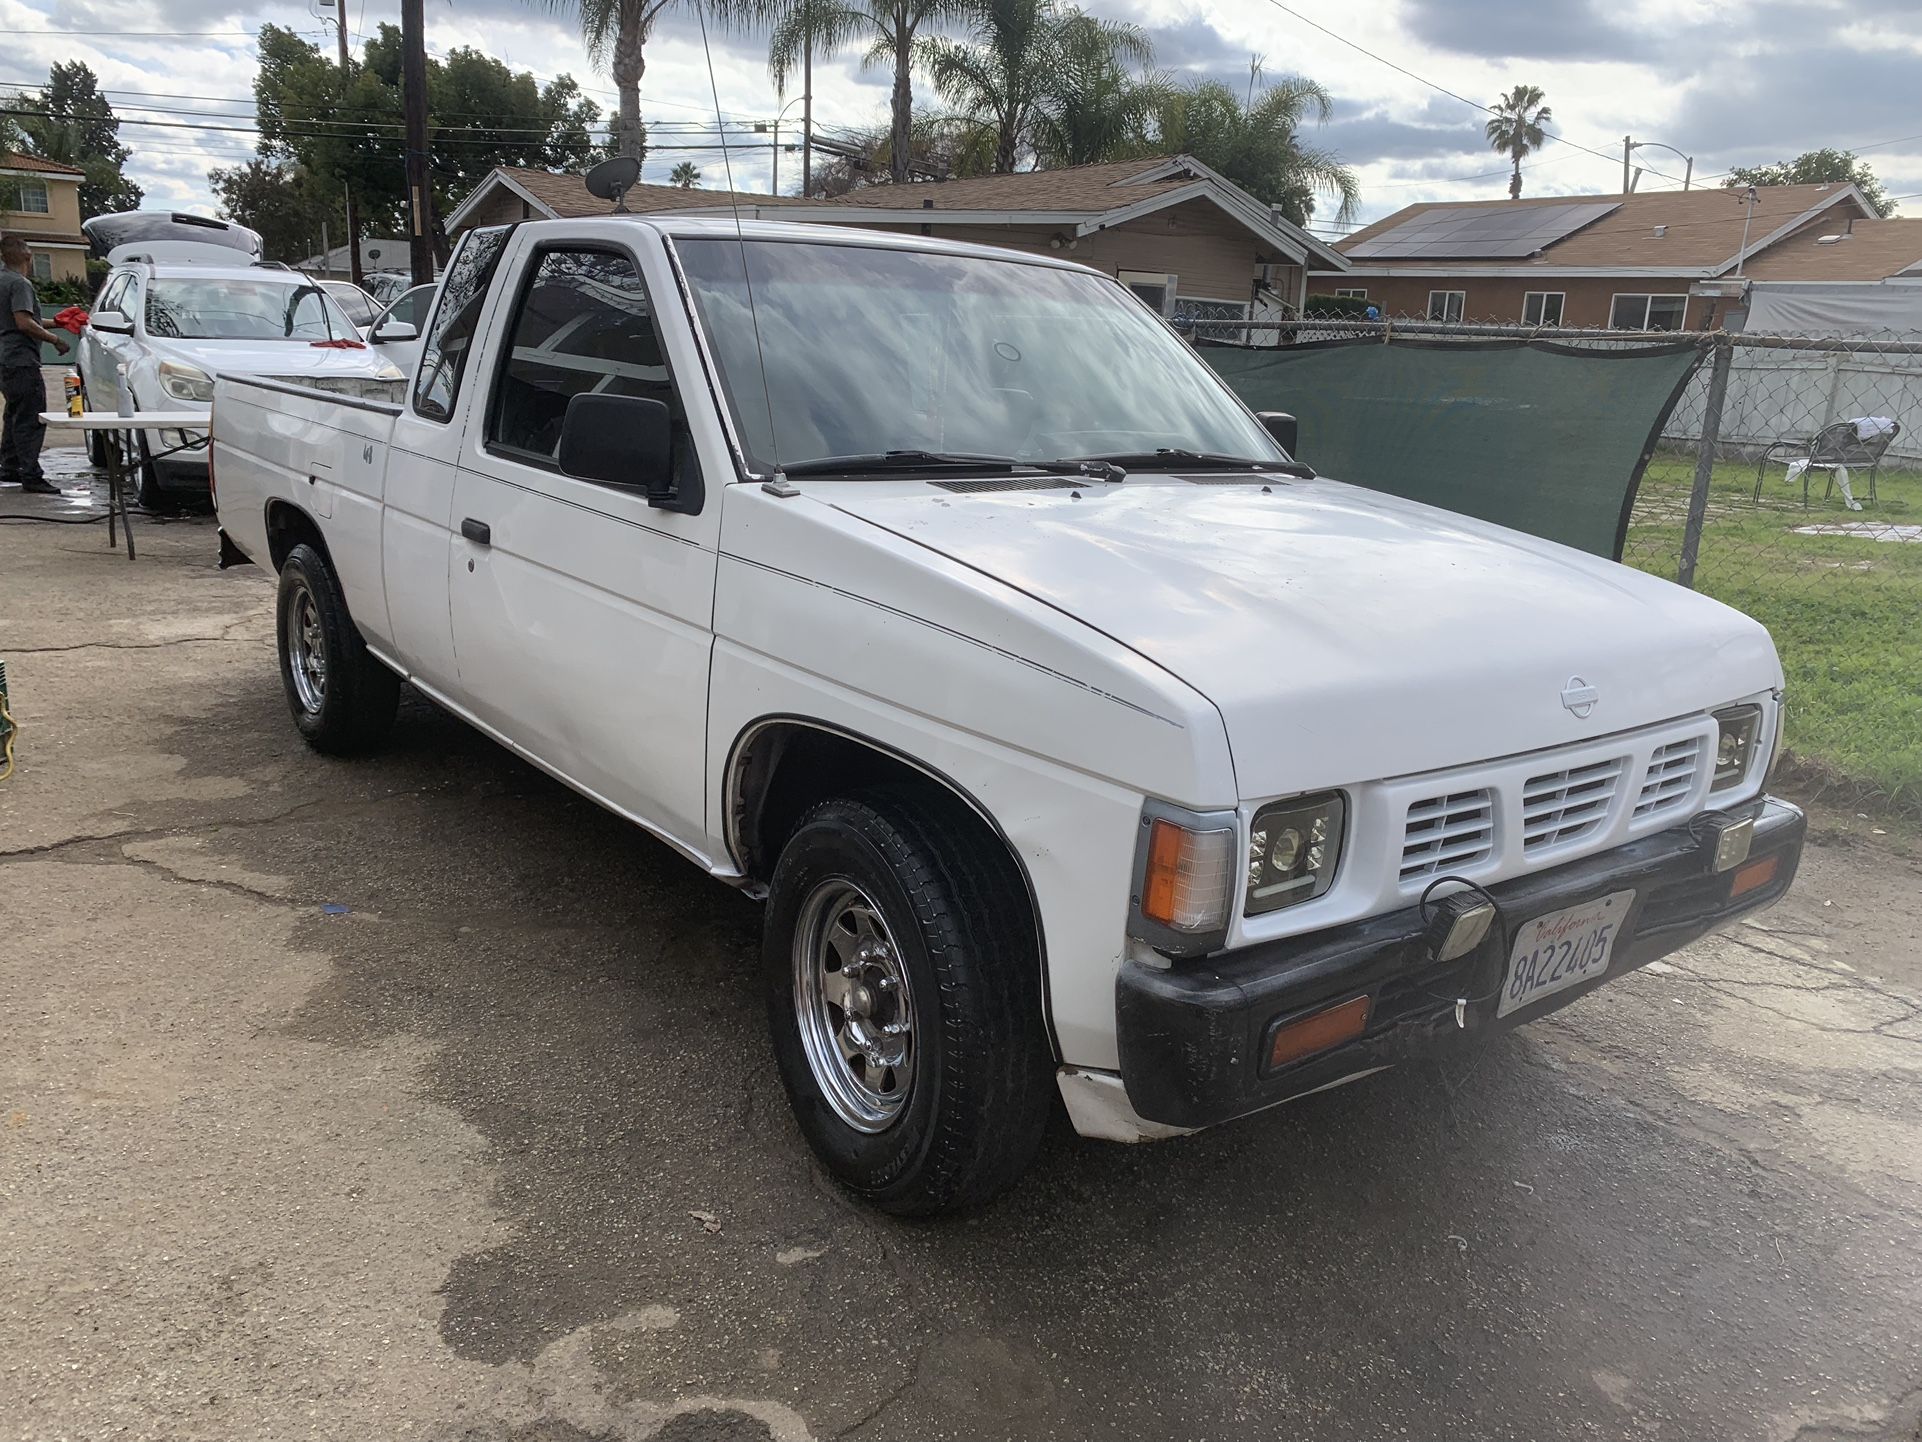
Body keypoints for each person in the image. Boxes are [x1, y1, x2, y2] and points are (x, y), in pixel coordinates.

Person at [1, 234, 70, 495]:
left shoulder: (3, 281)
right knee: (30, 417)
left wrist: (58, 322)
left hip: (5, 359)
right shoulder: (20, 284)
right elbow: (23, 322)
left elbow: (26, 318)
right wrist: (56, 340)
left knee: (14, 414)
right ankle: (31, 474)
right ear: (27, 256)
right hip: (21, 359)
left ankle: (9, 466)